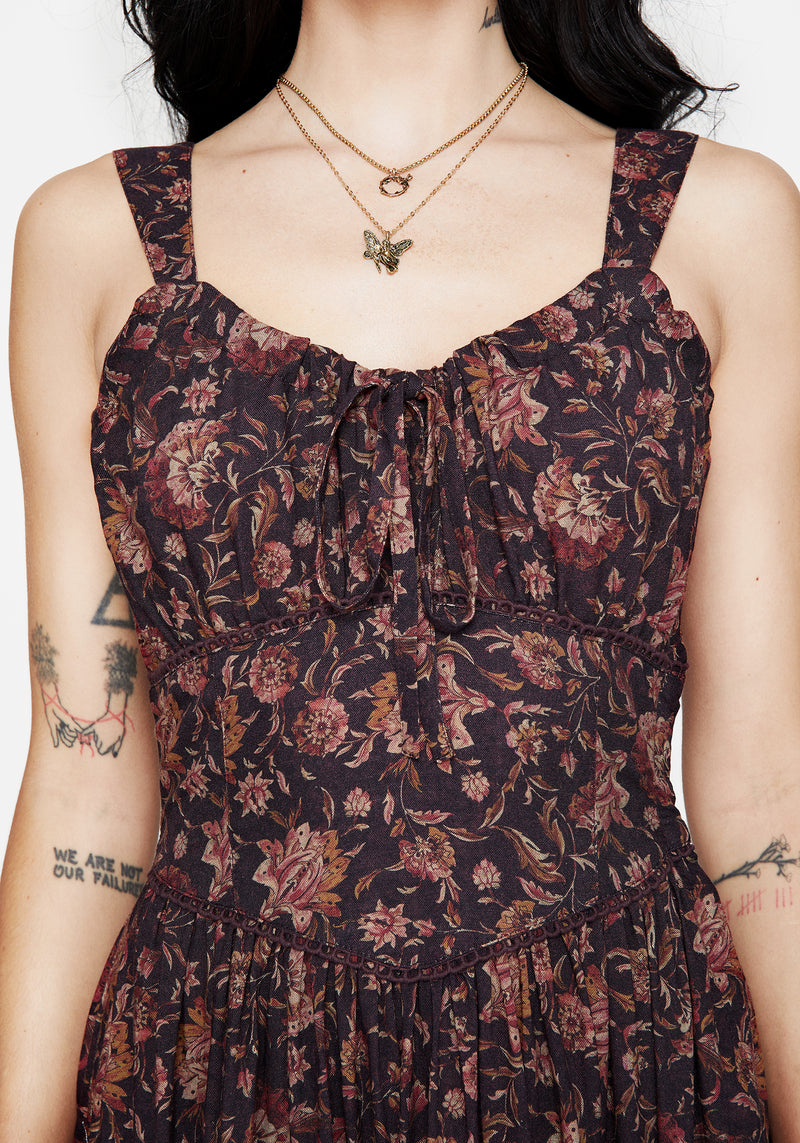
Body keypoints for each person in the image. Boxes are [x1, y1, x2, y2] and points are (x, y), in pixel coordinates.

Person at [1, 0, 799, 1139]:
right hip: (220, 1062)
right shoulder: (95, 242)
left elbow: (764, 784)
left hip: (613, 1053)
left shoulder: (720, 226)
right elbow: (85, 777)